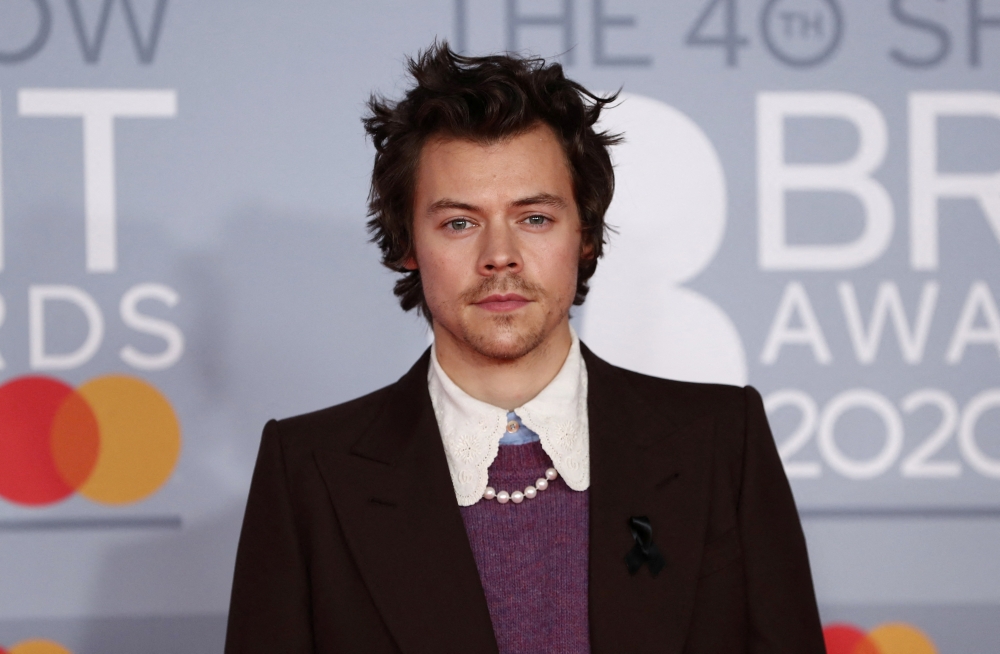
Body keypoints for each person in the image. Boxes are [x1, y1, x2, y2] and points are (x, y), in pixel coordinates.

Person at [225, 42, 825, 654]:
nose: (499, 254)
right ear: (408, 243)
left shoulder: (722, 443)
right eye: (459, 222)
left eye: (534, 218)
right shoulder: (308, 472)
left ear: (585, 234)